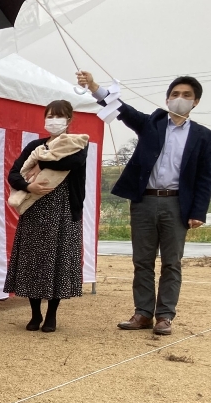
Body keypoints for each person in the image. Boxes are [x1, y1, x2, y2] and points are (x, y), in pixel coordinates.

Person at [78, 71, 211, 336]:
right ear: (167, 99)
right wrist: (94, 86)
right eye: (175, 94)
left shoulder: (203, 136)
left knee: (172, 263)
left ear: (195, 102)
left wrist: (198, 211)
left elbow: (205, 177)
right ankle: (143, 313)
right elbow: (122, 109)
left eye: (186, 95)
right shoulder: (153, 123)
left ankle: (164, 316)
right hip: (145, 201)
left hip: (177, 205)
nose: (179, 99)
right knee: (142, 261)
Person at [4, 101, 89, 332]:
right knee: (34, 262)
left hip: (63, 211)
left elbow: (68, 162)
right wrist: (27, 187)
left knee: (57, 262)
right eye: (50, 116)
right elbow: (14, 173)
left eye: (59, 116)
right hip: (35, 210)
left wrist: (40, 159)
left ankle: (51, 314)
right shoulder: (35, 145)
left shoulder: (78, 144)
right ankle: (35, 314)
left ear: (69, 120)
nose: (53, 120)